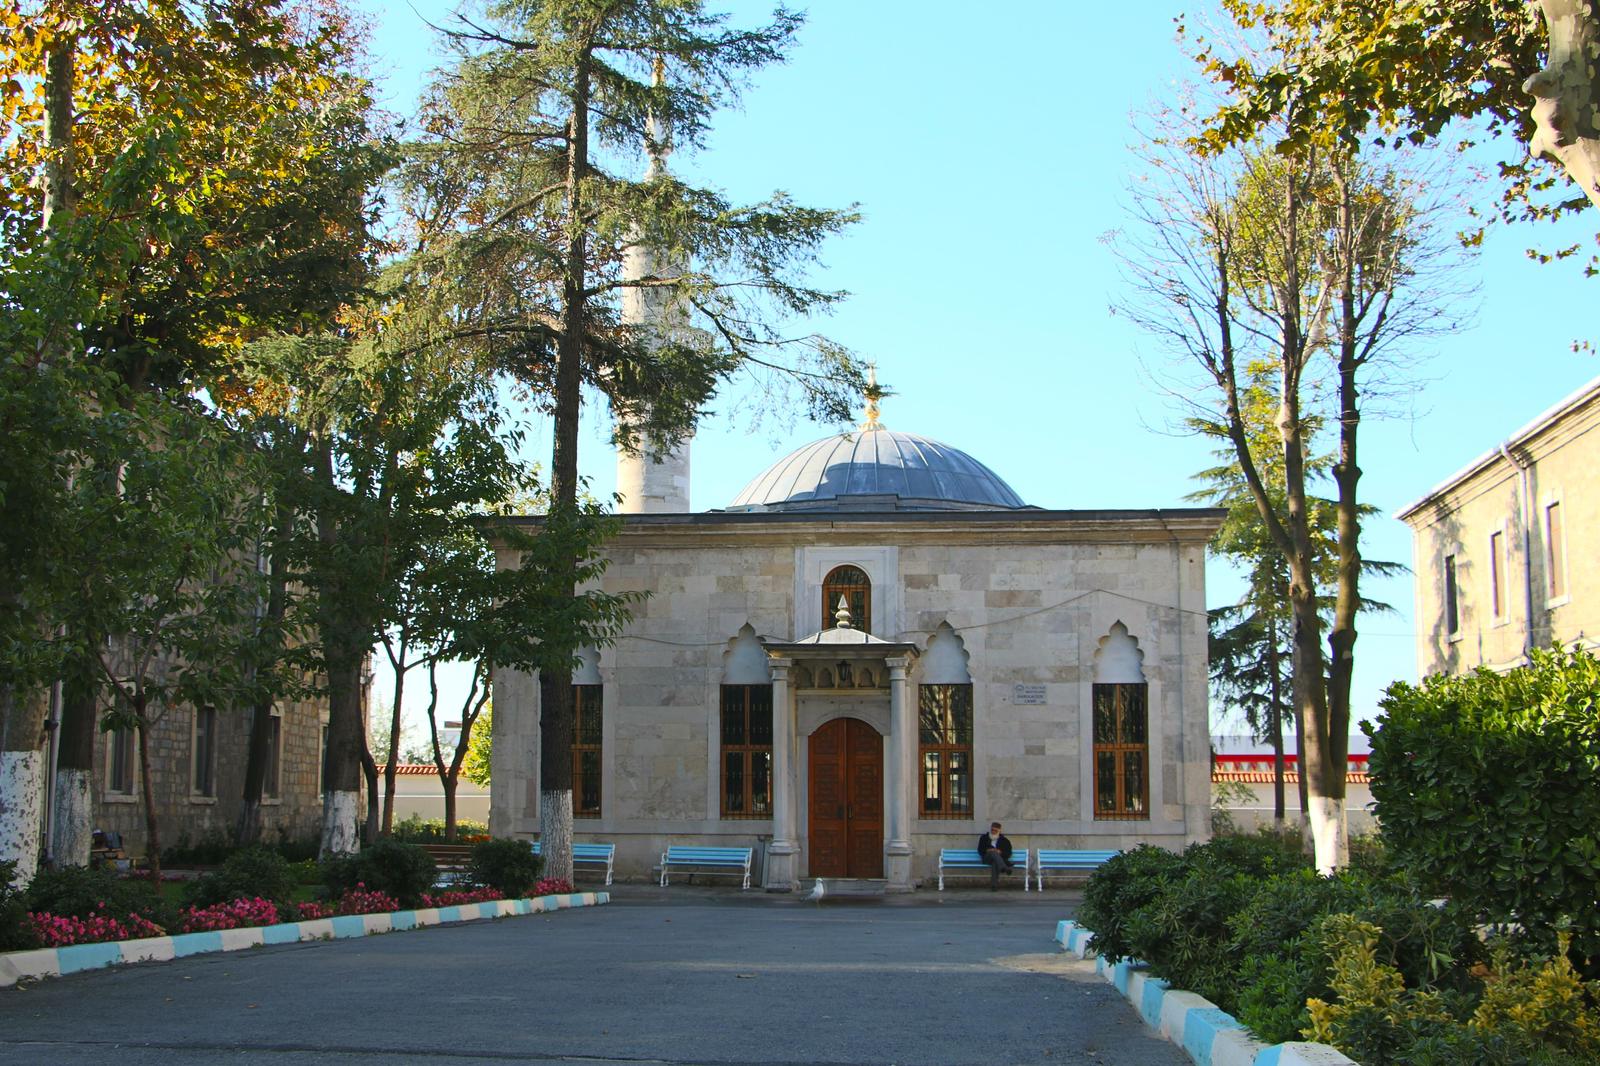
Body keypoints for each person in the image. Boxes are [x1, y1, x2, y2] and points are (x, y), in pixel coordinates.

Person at [976, 821, 1014, 890]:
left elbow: (1008, 853)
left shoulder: (1004, 840)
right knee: (993, 852)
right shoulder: (984, 838)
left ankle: (994, 886)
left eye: (995, 830)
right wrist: (988, 850)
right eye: (992, 830)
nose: (993, 832)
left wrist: (1000, 852)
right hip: (986, 858)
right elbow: (980, 850)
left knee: (995, 862)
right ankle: (1005, 867)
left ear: (999, 831)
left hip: (998, 860)